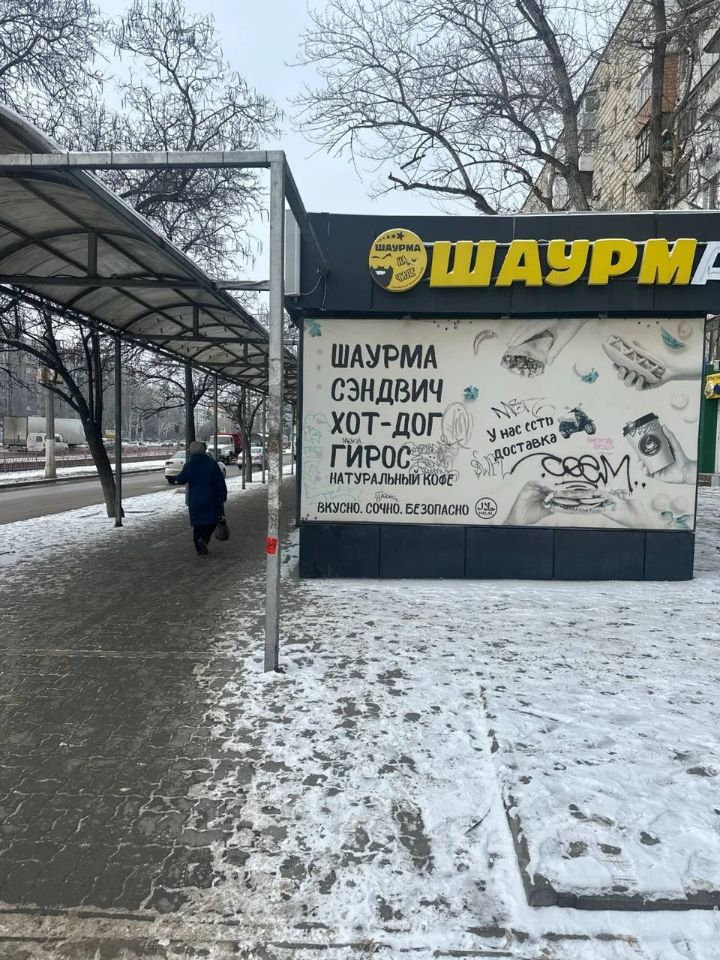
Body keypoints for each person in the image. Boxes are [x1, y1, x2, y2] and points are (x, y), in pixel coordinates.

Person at [175, 441, 228, 555]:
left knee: (197, 524)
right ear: (203, 451)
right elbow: (220, 482)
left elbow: (180, 479)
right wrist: (223, 495)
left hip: (195, 500)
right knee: (212, 521)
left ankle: (199, 547)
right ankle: (203, 539)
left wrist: (178, 476)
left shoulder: (189, 465)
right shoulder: (212, 464)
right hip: (211, 498)